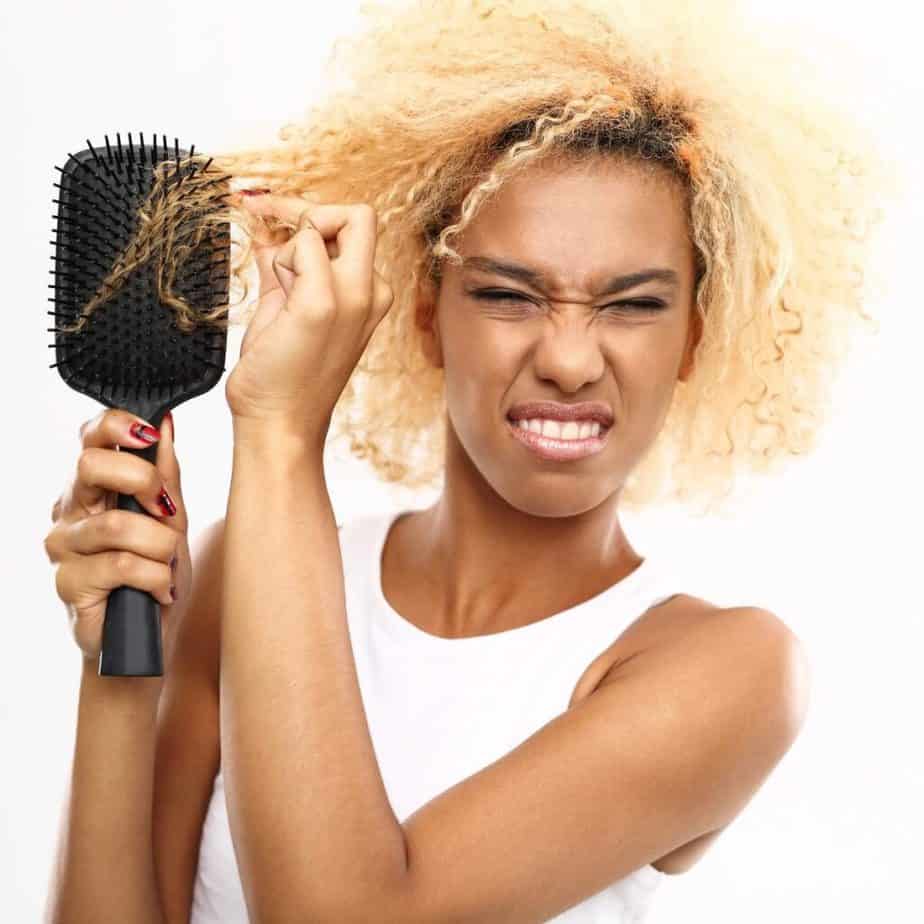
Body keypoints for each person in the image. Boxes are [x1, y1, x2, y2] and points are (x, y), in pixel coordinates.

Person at [44, 1, 894, 921]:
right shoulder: (232, 576)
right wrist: (115, 677)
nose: (570, 360)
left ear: (695, 335)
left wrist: (283, 432)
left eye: (634, 305)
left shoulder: (727, 670)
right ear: (423, 308)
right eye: (506, 293)